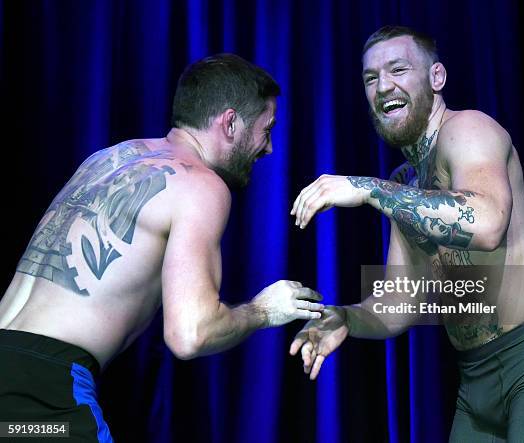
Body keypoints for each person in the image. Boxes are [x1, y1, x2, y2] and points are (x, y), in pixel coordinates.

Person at [289, 26, 524, 442]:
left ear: (436, 78)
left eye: (398, 69)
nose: (383, 87)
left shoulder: (468, 129)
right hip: (474, 383)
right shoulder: (406, 183)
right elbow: (400, 303)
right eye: (371, 78)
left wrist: (370, 189)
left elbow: (486, 224)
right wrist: (346, 318)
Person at [0, 54, 324, 442]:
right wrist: (264, 310)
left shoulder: (104, 160)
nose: (269, 148)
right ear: (230, 122)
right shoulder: (199, 184)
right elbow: (191, 334)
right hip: (42, 390)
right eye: (266, 129)